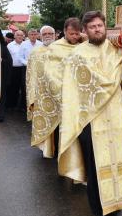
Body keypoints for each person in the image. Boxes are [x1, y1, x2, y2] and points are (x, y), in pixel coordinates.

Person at [58, 11, 122, 216]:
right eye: (92, 27)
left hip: (117, 116)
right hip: (90, 120)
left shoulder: (115, 50)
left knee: (118, 160)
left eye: (100, 26)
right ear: (85, 31)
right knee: (96, 167)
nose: (97, 30)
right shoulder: (77, 56)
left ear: (105, 27)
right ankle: (99, 209)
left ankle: (116, 205)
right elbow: (73, 92)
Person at [27, 19, 83, 158]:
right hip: (43, 93)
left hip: (68, 92)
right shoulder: (35, 52)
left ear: (55, 34)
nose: (47, 35)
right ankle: (49, 149)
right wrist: (32, 95)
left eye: (50, 33)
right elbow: (31, 75)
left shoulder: (76, 47)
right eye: (44, 33)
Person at [7, 30, 26, 110]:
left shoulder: (26, 45)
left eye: (21, 35)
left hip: (24, 68)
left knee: (24, 87)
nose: (20, 37)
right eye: (18, 35)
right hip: (13, 69)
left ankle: (23, 106)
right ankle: (11, 105)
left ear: (23, 36)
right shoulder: (10, 45)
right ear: (14, 36)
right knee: (13, 87)